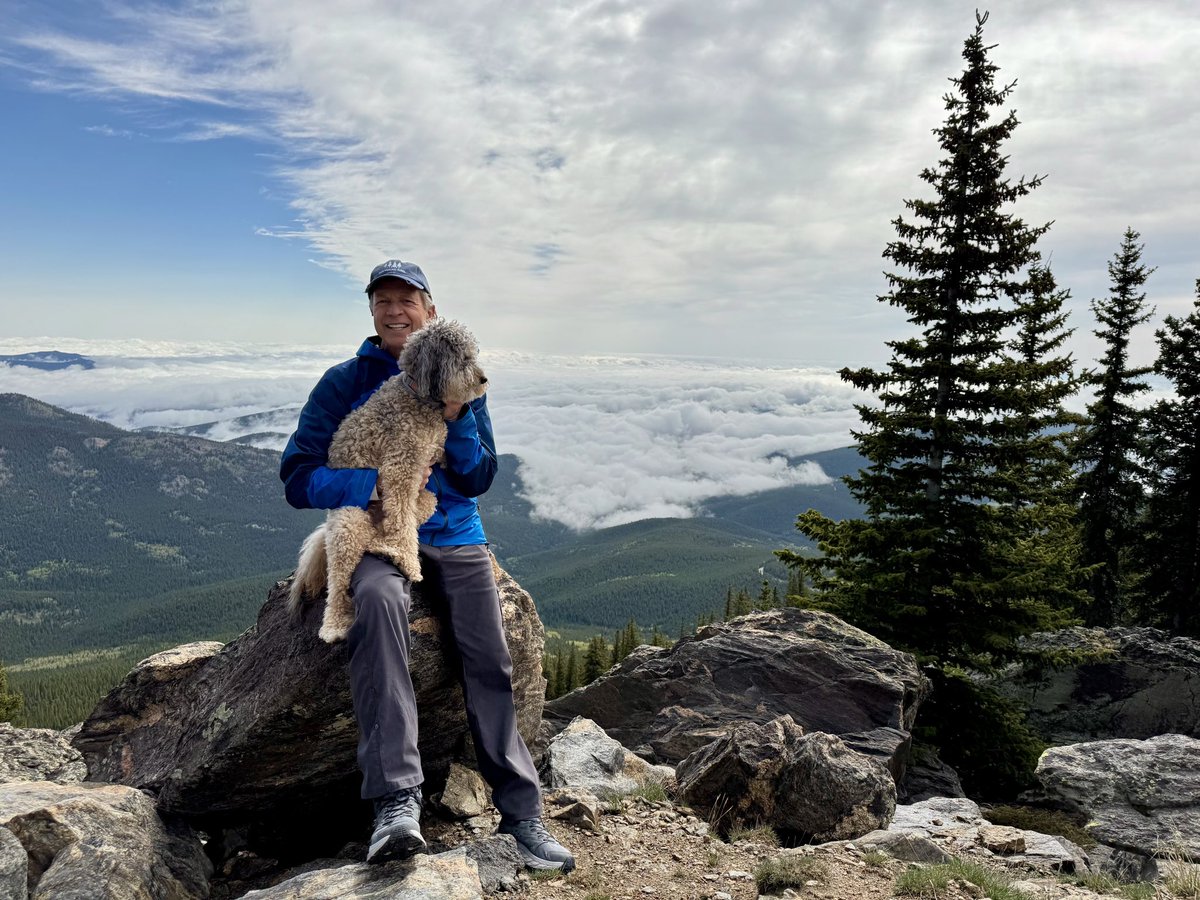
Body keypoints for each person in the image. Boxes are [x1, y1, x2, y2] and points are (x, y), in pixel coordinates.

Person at [280, 259, 575, 872]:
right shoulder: (344, 382)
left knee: (488, 654)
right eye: (383, 301)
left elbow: (480, 475)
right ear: (372, 312)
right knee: (378, 604)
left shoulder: (462, 378)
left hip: (455, 531)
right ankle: (397, 803)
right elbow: (299, 476)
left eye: (407, 300)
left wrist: (458, 415)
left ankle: (522, 814)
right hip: (380, 531)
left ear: (430, 311)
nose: (395, 311)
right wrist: (374, 487)